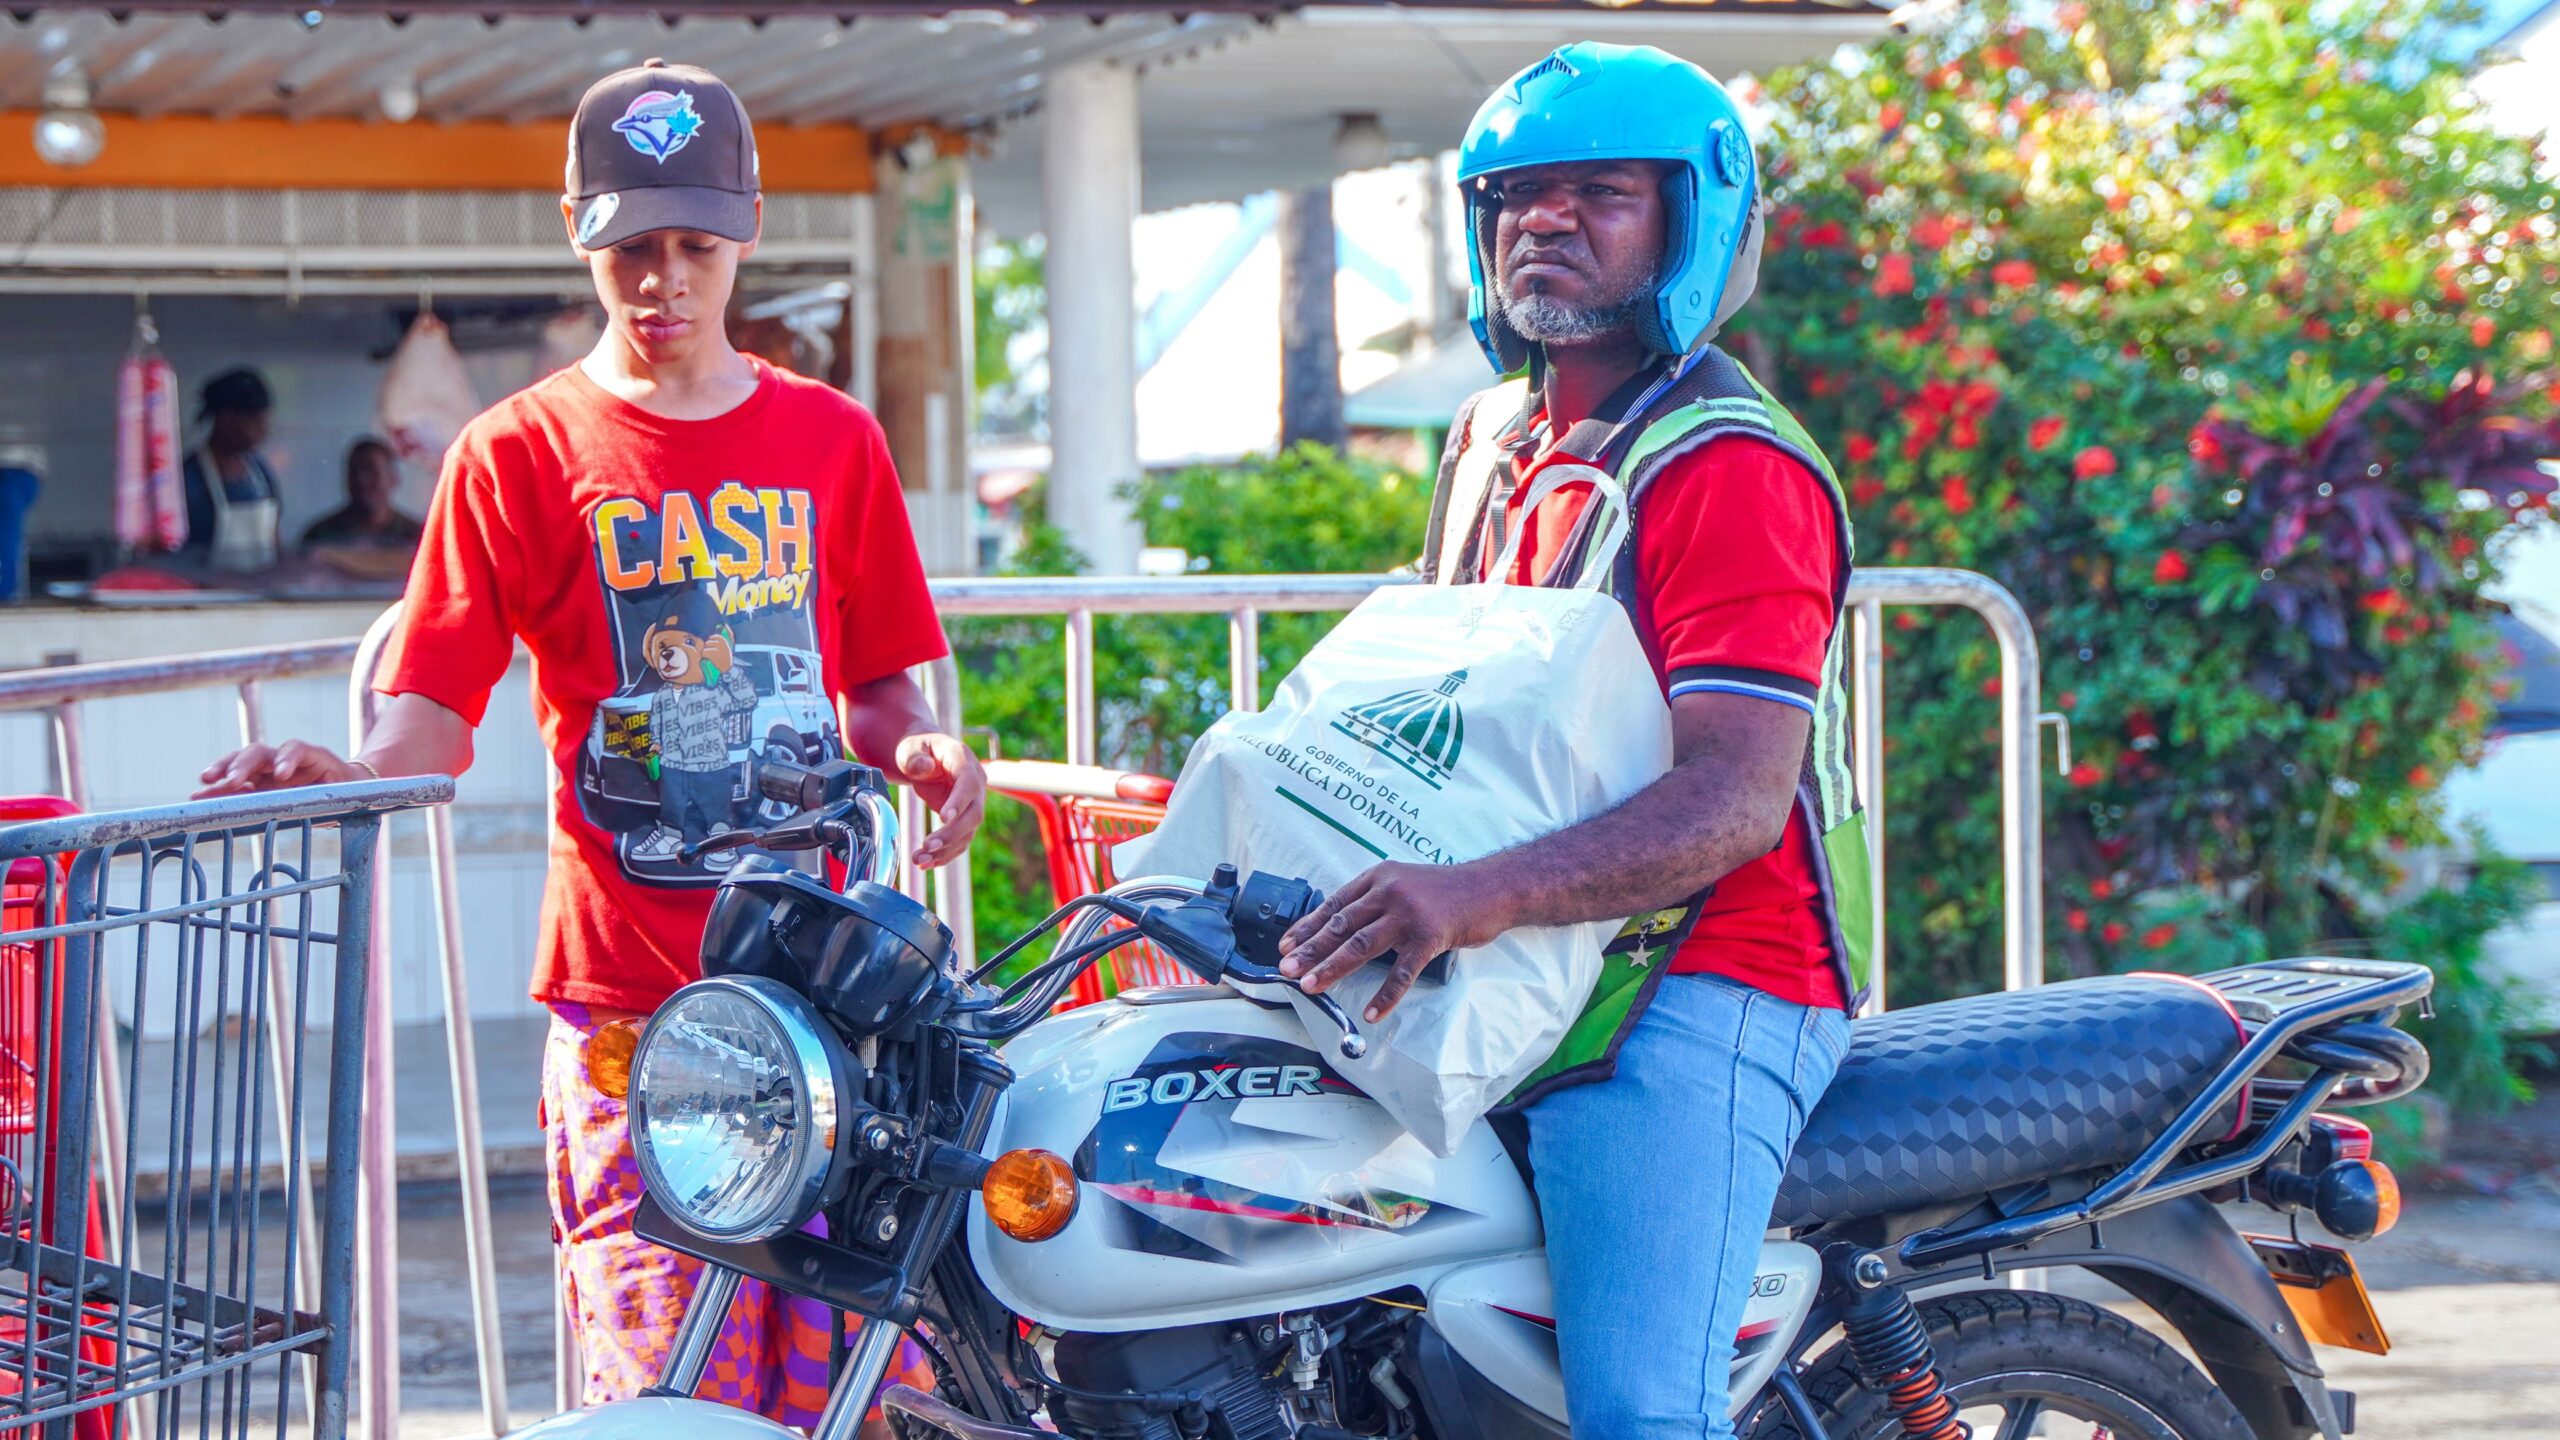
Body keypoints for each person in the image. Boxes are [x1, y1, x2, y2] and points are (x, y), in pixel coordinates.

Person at [193, 58, 980, 1436]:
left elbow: (875, 691)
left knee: (866, 1393)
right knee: (667, 1394)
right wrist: (354, 770)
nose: (663, 281)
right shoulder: (514, 453)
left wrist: (922, 751)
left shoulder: (834, 440)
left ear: (746, 230)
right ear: (577, 230)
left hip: (830, 1009)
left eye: (695, 246)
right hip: (632, 1019)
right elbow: (433, 711)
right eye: (631, 247)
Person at [1277, 43, 1871, 1439]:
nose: (1541, 220)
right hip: (1525, 955)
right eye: (1514, 196)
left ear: (1692, 222)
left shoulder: (1730, 466)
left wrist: (1477, 893)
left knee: (1636, 1414)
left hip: (1703, 980)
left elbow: (1734, 801)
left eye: (1600, 192)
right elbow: (1439, 705)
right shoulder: (1492, 438)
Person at [182, 367, 284, 572]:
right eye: (255, 421)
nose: (264, 430)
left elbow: (274, 535)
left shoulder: (260, 471)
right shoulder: (190, 477)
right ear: (226, 418)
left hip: (262, 585)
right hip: (207, 587)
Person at [299, 438, 424, 550]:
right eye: (354, 472)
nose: (362, 480)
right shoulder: (321, 537)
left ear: (393, 478)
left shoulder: (416, 536)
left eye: (372, 472)